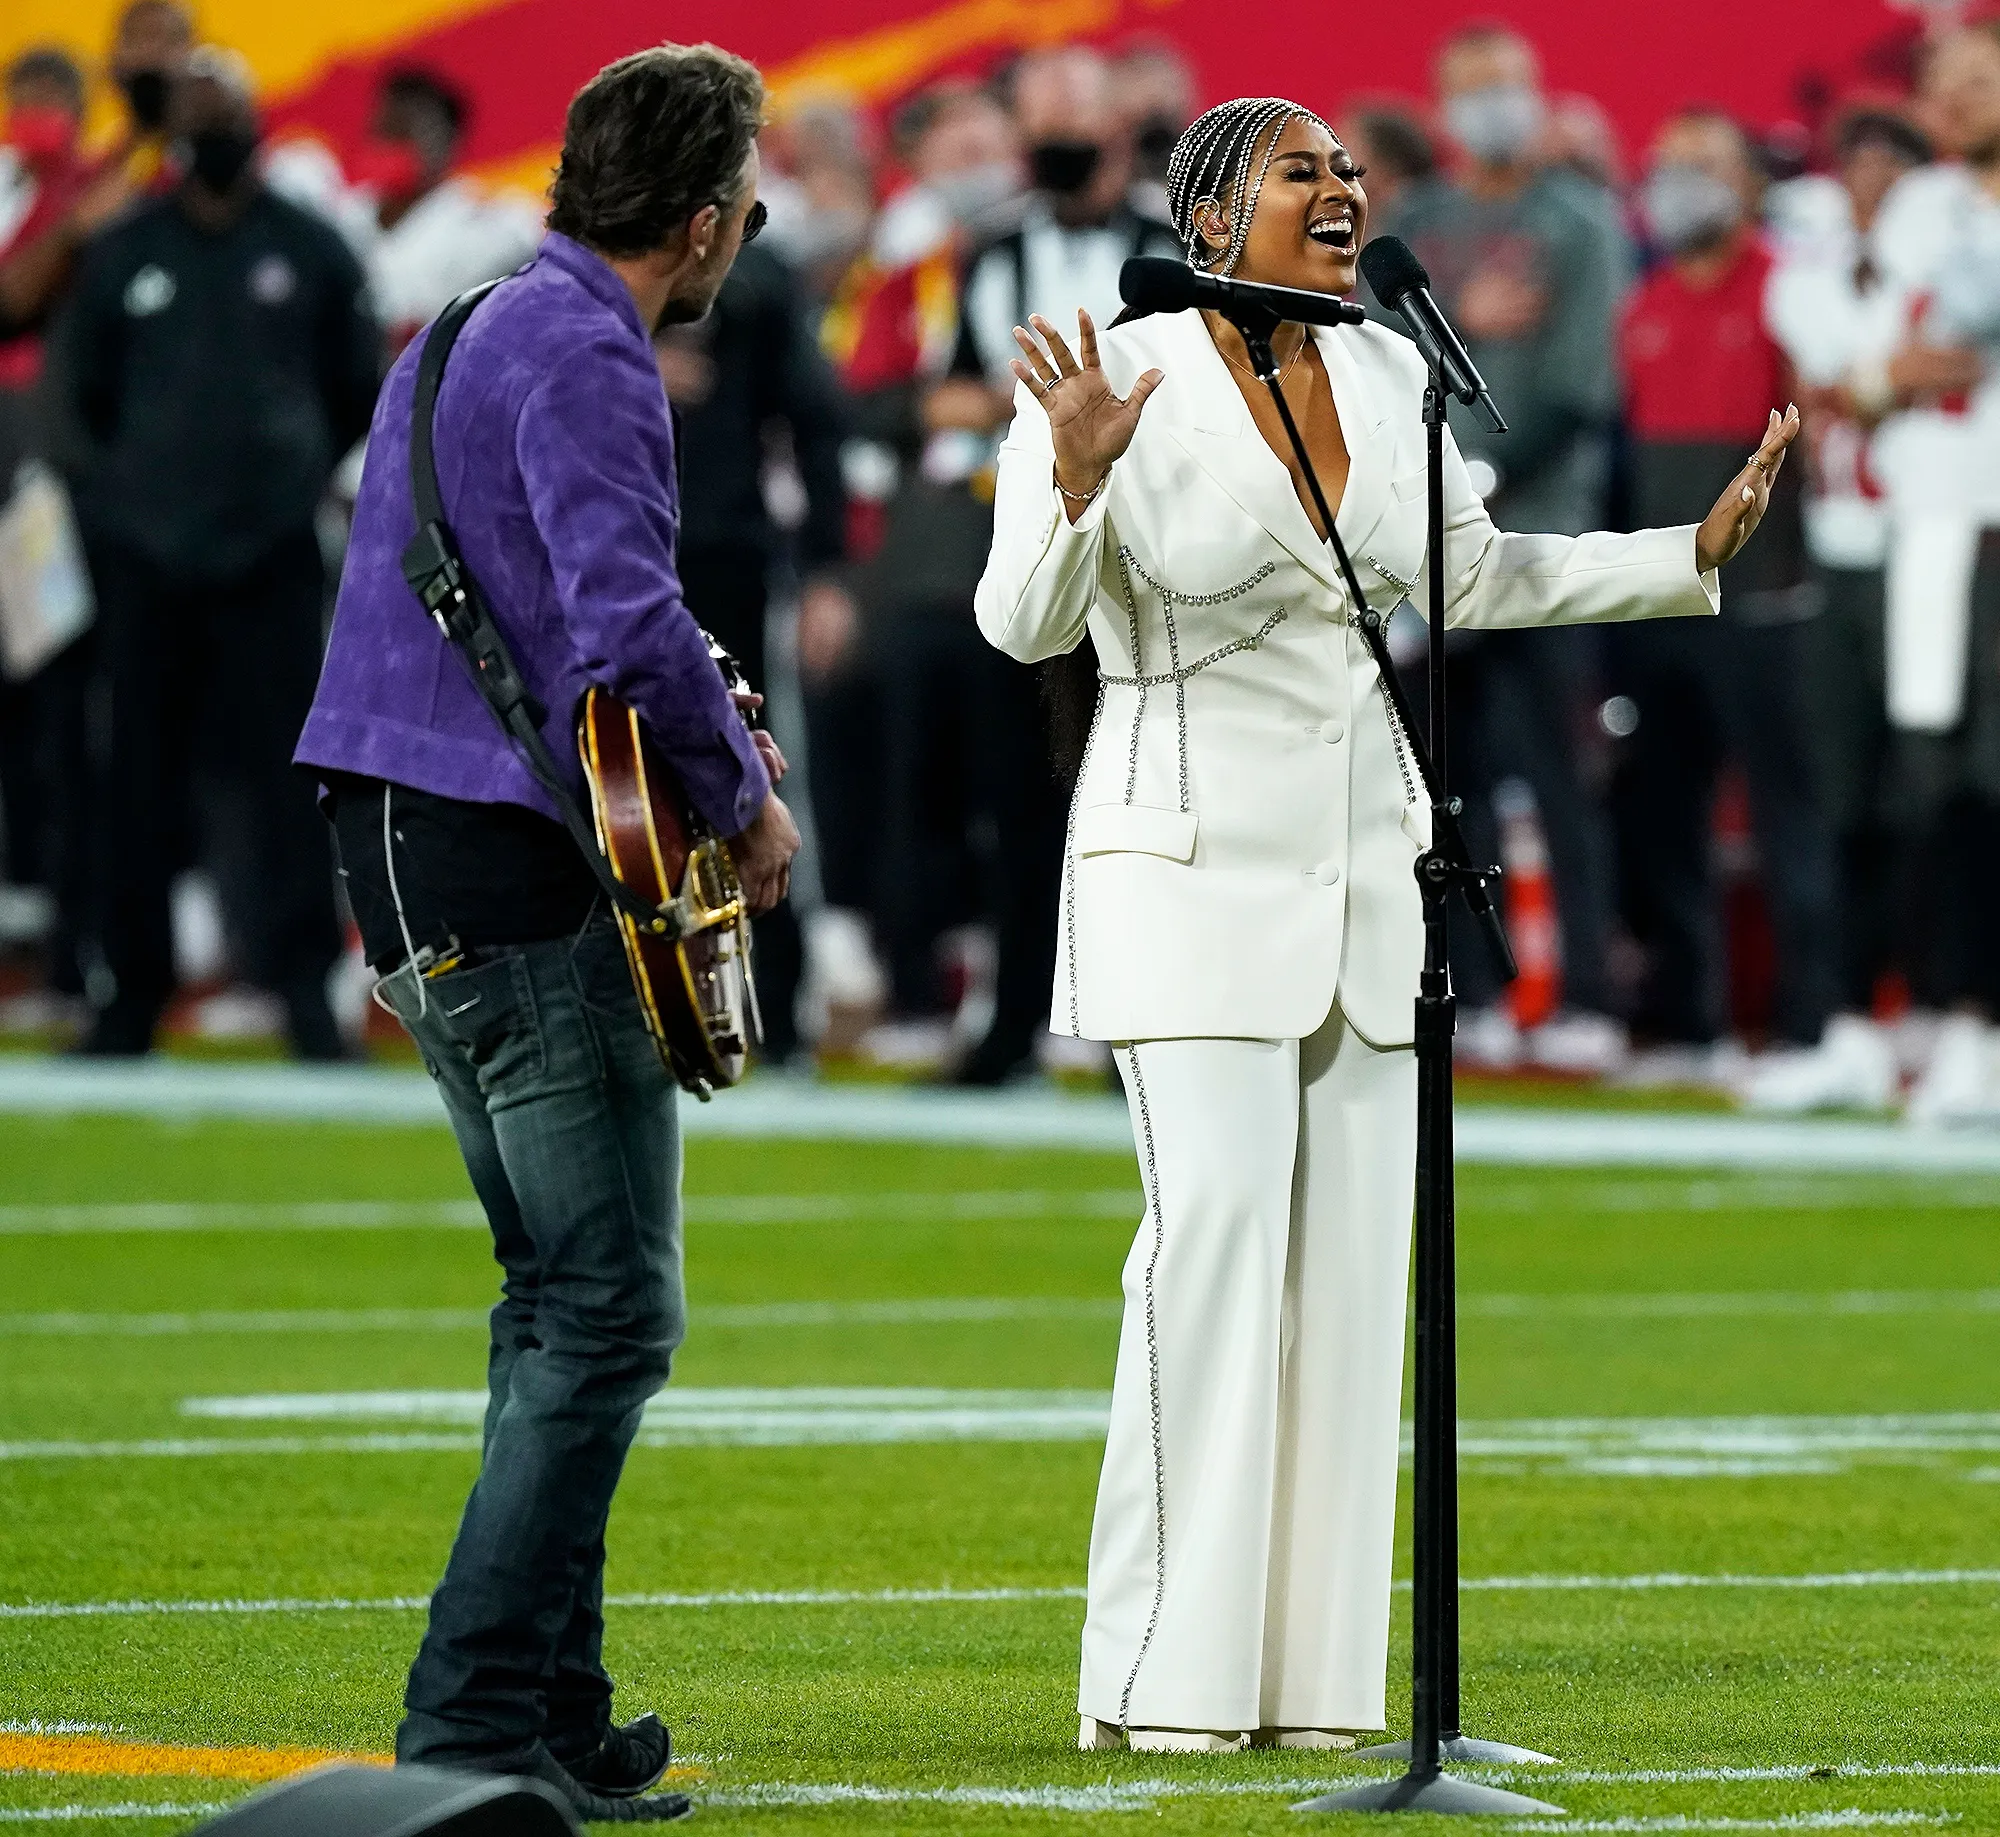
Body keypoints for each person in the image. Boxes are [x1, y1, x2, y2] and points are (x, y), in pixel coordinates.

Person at [980, 97, 1796, 1750]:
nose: (1343, 190)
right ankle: (1162, 1683)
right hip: (1186, 866)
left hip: (1370, 881)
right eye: (1303, 170)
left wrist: (1681, 554)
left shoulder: (1386, 372)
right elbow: (1020, 622)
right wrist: (1072, 487)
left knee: (1356, 1292)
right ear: (1211, 216)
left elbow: (1474, 578)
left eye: (1350, 170)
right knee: (1207, 1256)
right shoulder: (1111, 381)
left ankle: (1318, 1691)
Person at [294, 44, 798, 1821]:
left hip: (395, 839)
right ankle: (478, 1723)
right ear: (701, 214)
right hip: (509, 866)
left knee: (551, 1294)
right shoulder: (591, 347)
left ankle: (555, 1711)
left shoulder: (457, 325)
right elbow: (623, 623)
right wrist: (744, 792)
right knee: (607, 1308)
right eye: (744, 188)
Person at [54, 48, 379, 1058]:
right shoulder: (125, 251)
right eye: (198, 117)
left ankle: (302, 996)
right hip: (146, 558)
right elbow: (81, 394)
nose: (216, 134)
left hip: (270, 554)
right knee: (135, 783)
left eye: (228, 113)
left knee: (289, 784)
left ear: (259, 124)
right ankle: (130, 996)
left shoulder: (311, 249)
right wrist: (128, 502)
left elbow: (352, 389)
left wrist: (284, 484)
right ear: (173, 133)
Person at [900, 45, 1179, 1084]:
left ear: (1118, 125)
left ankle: (1140, 1036)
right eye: (1042, 123)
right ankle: (1012, 1020)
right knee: (1013, 801)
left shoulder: (1174, 244)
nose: (1058, 144)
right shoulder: (986, 249)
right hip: (1027, 547)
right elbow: (950, 390)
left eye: (1076, 120)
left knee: (1144, 800)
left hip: (1153, 559)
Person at [1392, 23, 1635, 1075]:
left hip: (1541, 533)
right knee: (1445, 782)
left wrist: (1472, 475)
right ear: (1442, 106)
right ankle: (1476, 993)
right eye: (1470, 89)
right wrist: (1472, 330)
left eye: (1507, 87)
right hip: (1425, 546)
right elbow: (1373, 366)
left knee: (1556, 774)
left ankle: (1586, 996)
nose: (1492, 106)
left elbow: (1580, 388)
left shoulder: (1578, 221)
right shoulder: (1412, 225)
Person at [1608, 108, 1837, 1091]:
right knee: (1662, 811)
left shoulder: (1791, 291)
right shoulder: (1645, 301)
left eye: (1700, 166)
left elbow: (1817, 446)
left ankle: (1808, 1030)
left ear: (1747, 185)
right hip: (1662, 595)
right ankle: (1687, 1024)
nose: (1675, 184)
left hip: (1764, 597)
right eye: (1664, 164)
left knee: (1787, 813)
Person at [1762, 108, 1934, 1112]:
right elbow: (1819, 387)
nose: (1869, 182)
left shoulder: (1951, 256)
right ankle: (1845, 1019)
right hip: (1838, 545)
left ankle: (1937, 1010)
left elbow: (1919, 367)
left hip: (1931, 544)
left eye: (1890, 164)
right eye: (1856, 163)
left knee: (1931, 796)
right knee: (1838, 793)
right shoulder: (1813, 273)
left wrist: (1876, 381)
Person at [655, 232, 850, 1064]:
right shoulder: (584, 272)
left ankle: (776, 1010)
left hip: (724, 559)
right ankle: (640, 1003)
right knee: (612, 784)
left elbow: (818, 420)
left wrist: (825, 571)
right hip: (606, 561)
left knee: (755, 770)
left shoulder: (758, 275)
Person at [1867, 21, 2000, 1123]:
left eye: (1973, 79)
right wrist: (1884, 370)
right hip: (1933, 521)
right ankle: (1958, 1017)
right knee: (1939, 778)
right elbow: (1871, 357)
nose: (1949, 100)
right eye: (1938, 83)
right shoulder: (1918, 208)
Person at [348, 66, 543, 354]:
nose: (391, 145)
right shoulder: (345, 216)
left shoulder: (487, 224)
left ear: (449, 140)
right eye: (384, 131)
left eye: (405, 133)